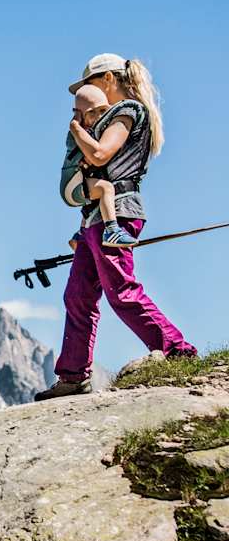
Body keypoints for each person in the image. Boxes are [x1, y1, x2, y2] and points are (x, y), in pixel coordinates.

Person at [36, 54, 197, 401]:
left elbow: (100, 157)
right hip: (97, 217)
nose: (85, 100)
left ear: (108, 78)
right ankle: (73, 375)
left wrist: (77, 129)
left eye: (90, 86)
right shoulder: (113, 114)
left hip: (118, 213)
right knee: (77, 295)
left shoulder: (127, 112)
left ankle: (177, 351)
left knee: (120, 290)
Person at [69, 84, 138, 248]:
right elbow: (95, 156)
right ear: (81, 117)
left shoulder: (94, 130)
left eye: (103, 110)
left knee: (96, 194)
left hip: (78, 184)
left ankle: (80, 234)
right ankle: (112, 230)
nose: (99, 116)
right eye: (92, 113)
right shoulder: (81, 134)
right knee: (106, 188)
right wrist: (75, 127)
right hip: (71, 184)